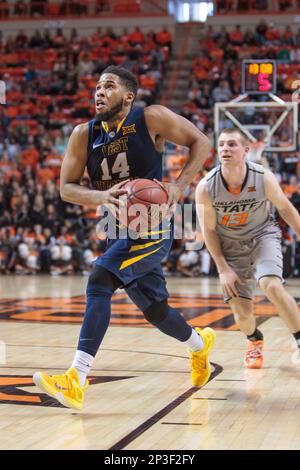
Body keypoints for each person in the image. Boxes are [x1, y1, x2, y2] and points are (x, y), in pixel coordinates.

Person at [33, 66, 215, 410]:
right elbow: (66, 188)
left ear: (127, 96)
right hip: (115, 228)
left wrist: (179, 184)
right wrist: (101, 197)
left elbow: (201, 142)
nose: (99, 92)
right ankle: (198, 344)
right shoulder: (82, 135)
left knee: (99, 280)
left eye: (109, 86)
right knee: (156, 311)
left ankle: (76, 378)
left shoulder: (151, 118)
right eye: (98, 86)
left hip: (151, 224)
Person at [196, 127, 300, 369]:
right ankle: (254, 340)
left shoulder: (262, 176)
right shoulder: (206, 187)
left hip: (263, 234)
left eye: (231, 144)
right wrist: (222, 269)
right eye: (221, 145)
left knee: (271, 285)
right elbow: (209, 230)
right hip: (229, 245)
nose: (225, 149)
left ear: (245, 150)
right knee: (242, 313)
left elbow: (285, 208)